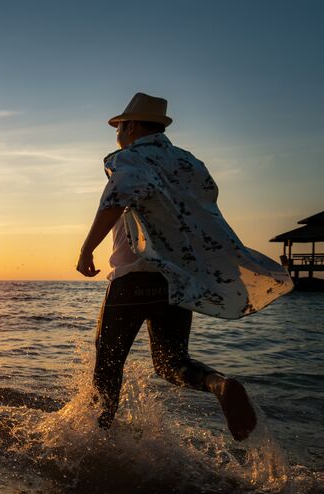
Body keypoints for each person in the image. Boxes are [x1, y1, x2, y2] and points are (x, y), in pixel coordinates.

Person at [76, 93, 292, 441]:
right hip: (177, 280)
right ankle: (219, 385)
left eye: (118, 126)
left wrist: (87, 249)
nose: (116, 133)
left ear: (130, 125)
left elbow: (115, 199)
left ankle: (98, 442)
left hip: (133, 277)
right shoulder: (190, 163)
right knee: (171, 362)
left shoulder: (130, 158)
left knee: (108, 364)